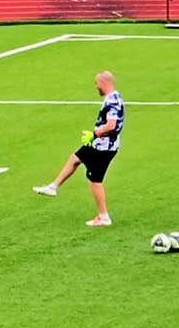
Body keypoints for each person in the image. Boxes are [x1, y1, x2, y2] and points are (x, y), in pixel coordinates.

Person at [33, 71, 125, 227]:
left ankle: (104, 217)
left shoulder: (112, 102)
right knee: (75, 159)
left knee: (95, 180)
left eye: (97, 84)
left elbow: (111, 125)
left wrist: (94, 134)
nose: (96, 87)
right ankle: (53, 187)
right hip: (101, 144)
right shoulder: (114, 98)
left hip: (103, 147)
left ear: (103, 83)